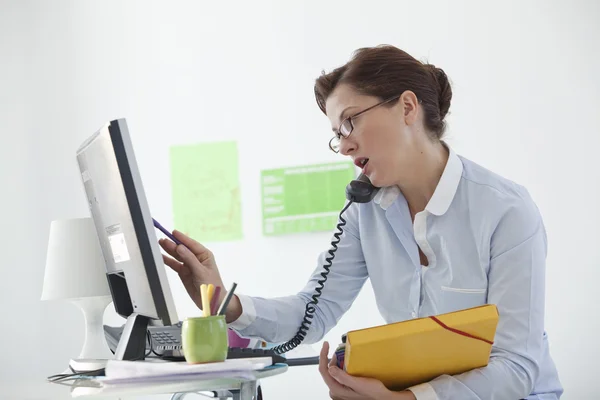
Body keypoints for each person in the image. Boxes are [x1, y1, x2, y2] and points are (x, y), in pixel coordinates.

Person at [159, 45, 563, 399]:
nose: (344, 145)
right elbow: (312, 313)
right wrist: (222, 303)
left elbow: (516, 368)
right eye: (337, 134)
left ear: (407, 107)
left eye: (350, 122)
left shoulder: (506, 211)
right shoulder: (365, 210)